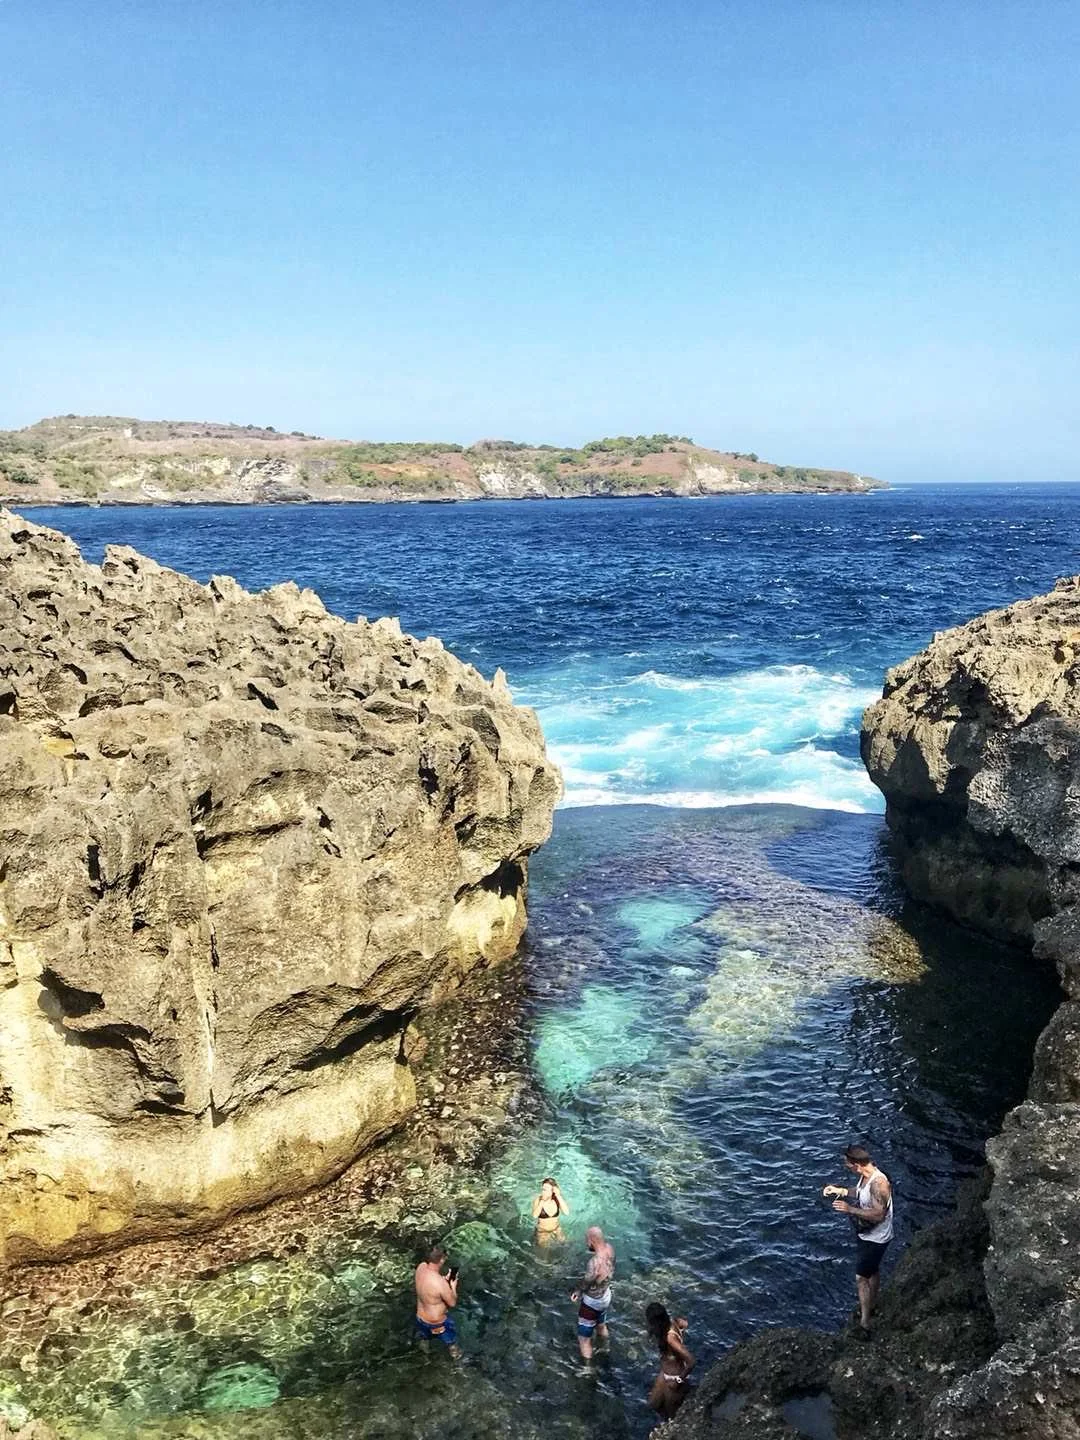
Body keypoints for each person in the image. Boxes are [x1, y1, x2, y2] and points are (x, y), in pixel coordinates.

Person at [823, 1143, 894, 1335]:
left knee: (861, 1278)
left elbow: (879, 1215)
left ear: (856, 1165)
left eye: (848, 1164)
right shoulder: (865, 1176)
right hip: (867, 1235)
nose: (847, 1167)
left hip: (876, 1239)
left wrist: (850, 1209)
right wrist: (841, 1191)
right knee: (872, 1271)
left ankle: (865, 1323)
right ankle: (873, 1303)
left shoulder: (880, 1184)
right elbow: (860, 1192)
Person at [570, 1225, 615, 1360]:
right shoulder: (610, 1249)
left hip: (592, 1302)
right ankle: (606, 1348)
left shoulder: (594, 1262)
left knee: (584, 1338)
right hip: (606, 1295)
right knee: (601, 1325)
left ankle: (588, 1369)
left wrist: (577, 1291)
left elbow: (588, 1280)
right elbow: (608, 1270)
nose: (586, 1243)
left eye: (586, 1240)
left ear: (592, 1240)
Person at [645, 1303, 694, 1420]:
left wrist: (678, 1381)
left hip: (673, 1379)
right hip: (664, 1374)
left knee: (670, 1417)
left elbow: (691, 1361)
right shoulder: (674, 1321)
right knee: (653, 1404)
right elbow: (684, 1323)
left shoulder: (670, 1339)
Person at [414, 1243, 460, 1357]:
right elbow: (452, 1303)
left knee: (424, 1339)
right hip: (438, 1324)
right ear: (442, 1260)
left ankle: (424, 1357)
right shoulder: (440, 1283)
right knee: (452, 1345)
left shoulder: (421, 1267)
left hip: (420, 1318)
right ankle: (458, 1366)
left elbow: (430, 1288)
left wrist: (444, 1281)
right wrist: (453, 1286)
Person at [531, 1177, 570, 1244]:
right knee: (544, 1252)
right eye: (543, 1189)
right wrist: (542, 1201)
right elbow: (535, 1215)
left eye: (545, 1190)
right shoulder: (538, 1200)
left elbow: (566, 1213)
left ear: (553, 1191)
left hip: (556, 1229)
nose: (543, 1192)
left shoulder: (557, 1200)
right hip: (542, 1232)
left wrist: (558, 1195)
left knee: (566, 1245)